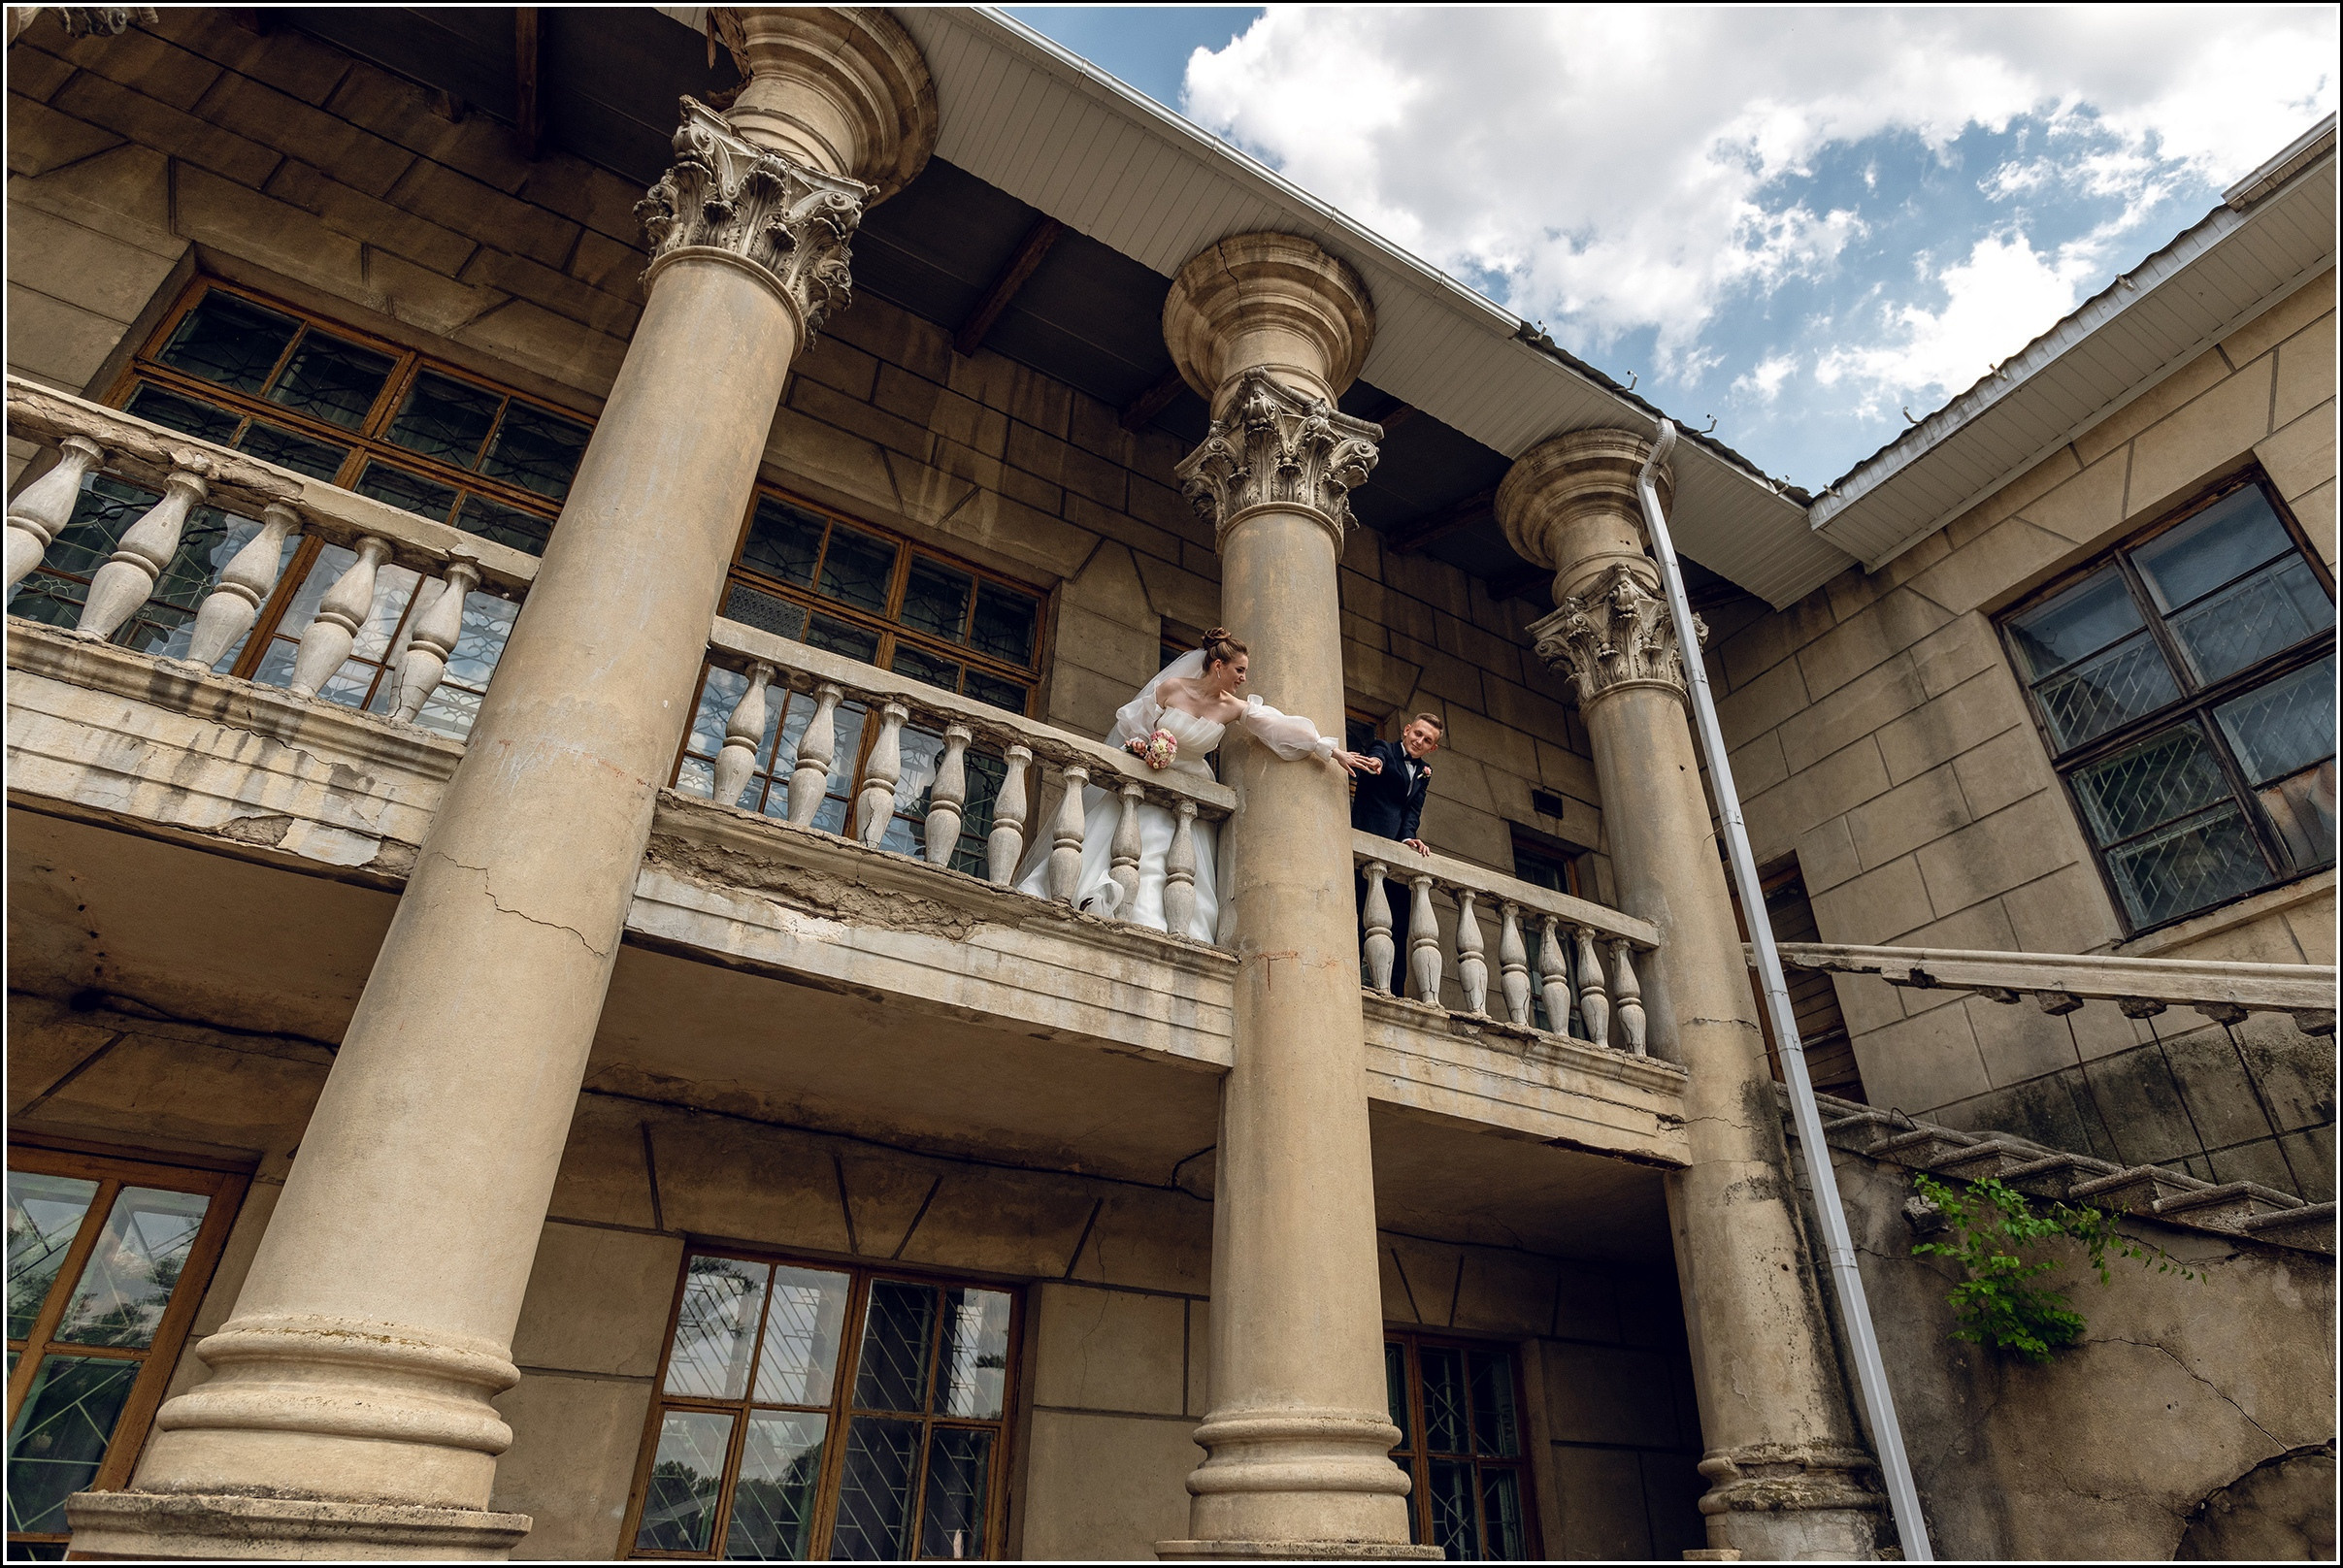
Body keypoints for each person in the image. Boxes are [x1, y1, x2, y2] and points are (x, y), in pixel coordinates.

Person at [1018, 628, 1381, 939]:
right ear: (1218, 665)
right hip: (1151, 775)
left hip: (1190, 783)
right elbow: (1133, 723)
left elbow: (1280, 726)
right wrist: (1144, 745)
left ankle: (1166, 922)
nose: (1243, 678)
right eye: (1239, 670)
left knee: (1174, 855)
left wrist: (1329, 751)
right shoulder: (1172, 688)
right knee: (1127, 840)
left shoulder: (1232, 707)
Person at [1351, 711, 1443, 993]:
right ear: (1406, 730)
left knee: (1399, 925)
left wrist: (1408, 839)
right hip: (1367, 850)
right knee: (1360, 918)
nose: (1419, 741)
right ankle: (1356, 979)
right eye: (1417, 734)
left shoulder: (1424, 773)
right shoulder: (1385, 750)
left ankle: (1395, 989)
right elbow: (1376, 752)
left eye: (1427, 740)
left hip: (1396, 857)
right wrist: (1375, 762)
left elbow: (1412, 813)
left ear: (1433, 747)